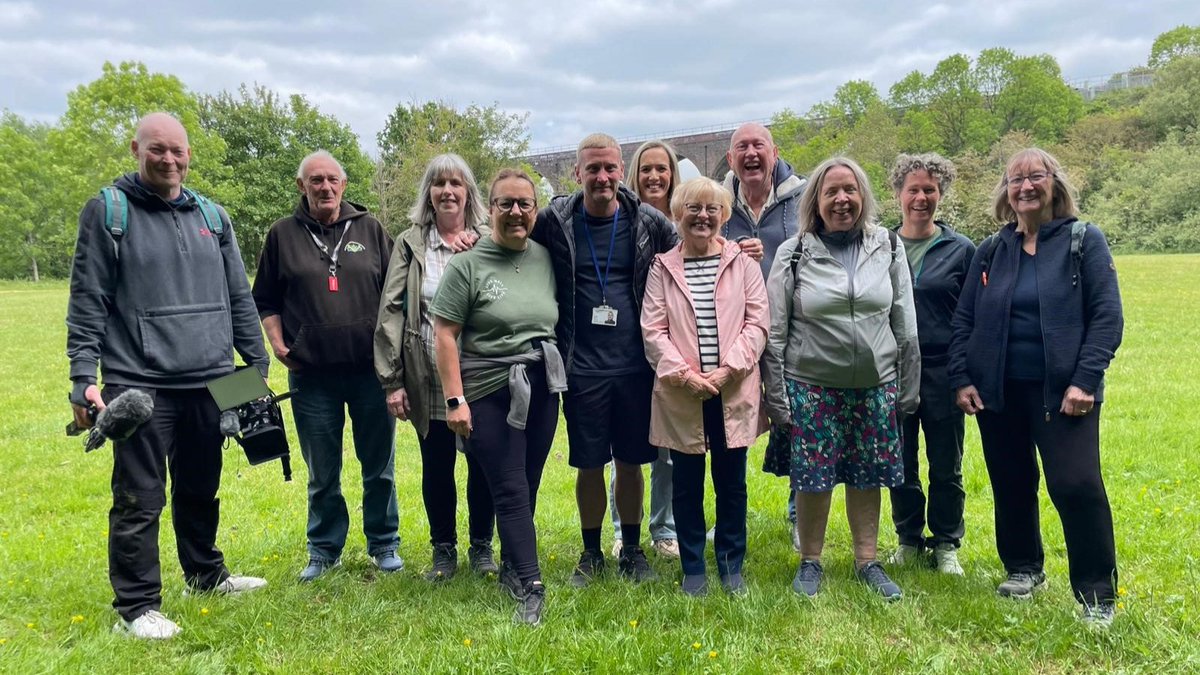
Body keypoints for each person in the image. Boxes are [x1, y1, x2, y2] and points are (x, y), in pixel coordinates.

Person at [66, 112, 269, 639]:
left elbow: (238, 297)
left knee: (202, 486)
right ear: (136, 148)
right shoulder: (109, 212)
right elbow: (89, 300)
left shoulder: (213, 216)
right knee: (140, 495)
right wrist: (81, 376)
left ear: (188, 155)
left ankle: (205, 573)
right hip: (140, 383)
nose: (169, 159)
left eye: (177, 150)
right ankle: (136, 607)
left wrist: (256, 363)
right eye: (157, 149)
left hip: (211, 379)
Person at [948, 148, 1123, 627]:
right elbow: (964, 319)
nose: (1025, 186)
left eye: (1036, 177)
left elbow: (1107, 317)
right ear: (1006, 191)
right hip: (998, 392)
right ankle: (1023, 567)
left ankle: (1096, 594)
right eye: (1016, 179)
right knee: (1011, 483)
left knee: (1076, 484)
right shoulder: (992, 249)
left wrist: (1085, 380)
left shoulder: (1084, 241)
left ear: (1054, 184)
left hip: (1064, 392)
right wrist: (962, 377)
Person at [763, 156, 919, 601]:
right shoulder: (794, 252)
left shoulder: (888, 245)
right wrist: (778, 398)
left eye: (849, 189)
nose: (841, 199)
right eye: (831, 191)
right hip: (810, 384)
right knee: (813, 478)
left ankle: (867, 561)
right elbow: (775, 332)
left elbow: (905, 322)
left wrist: (907, 390)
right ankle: (810, 561)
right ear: (816, 200)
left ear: (862, 195)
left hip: (875, 383)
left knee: (867, 474)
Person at [532, 133, 678, 587]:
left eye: (609, 168)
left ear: (622, 171)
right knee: (589, 463)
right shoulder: (554, 221)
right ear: (577, 173)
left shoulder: (649, 222)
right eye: (592, 169)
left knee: (633, 463)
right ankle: (591, 552)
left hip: (636, 366)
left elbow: (691, 255)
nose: (601, 177)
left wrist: (737, 252)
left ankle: (632, 551)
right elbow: (510, 244)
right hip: (581, 367)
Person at [252, 150, 402, 582]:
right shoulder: (282, 235)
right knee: (322, 470)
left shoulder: (370, 229)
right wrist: (278, 344)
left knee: (379, 466)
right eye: (315, 180)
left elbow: (396, 291)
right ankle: (324, 548)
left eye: (332, 179)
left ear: (344, 184)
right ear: (302, 186)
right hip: (311, 376)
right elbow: (264, 298)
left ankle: (384, 542)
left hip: (370, 372)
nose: (325, 187)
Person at [431, 168, 562, 626]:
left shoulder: (546, 257)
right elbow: (445, 333)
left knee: (527, 481)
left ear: (535, 209)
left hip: (543, 387)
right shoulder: (467, 264)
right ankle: (530, 583)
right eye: (505, 204)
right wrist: (454, 401)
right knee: (508, 486)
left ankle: (509, 566)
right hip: (488, 390)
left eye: (524, 204)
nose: (516, 213)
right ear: (490, 210)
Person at [641, 178, 769, 596]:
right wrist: (685, 375)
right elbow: (653, 329)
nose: (703, 216)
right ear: (677, 214)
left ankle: (732, 566)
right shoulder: (662, 268)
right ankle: (693, 567)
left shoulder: (743, 264)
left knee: (732, 483)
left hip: (732, 391)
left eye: (712, 209)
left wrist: (726, 371)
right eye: (693, 208)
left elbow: (757, 323)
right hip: (683, 393)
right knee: (686, 484)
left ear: (724, 215)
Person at [374, 154, 497, 582]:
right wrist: (392, 380)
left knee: (482, 466)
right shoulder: (411, 242)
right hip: (427, 378)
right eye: (439, 183)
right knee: (437, 467)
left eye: (456, 183)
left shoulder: (487, 239)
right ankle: (443, 550)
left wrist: (481, 249)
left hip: (480, 377)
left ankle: (482, 547)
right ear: (428, 192)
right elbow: (391, 309)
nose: (447, 191)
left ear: (469, 193)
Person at [884, 153, 975, 575]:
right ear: (898, 194)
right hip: (894, 369)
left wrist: (964, 376)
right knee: (898, 458)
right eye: (913, 190)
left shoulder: (962, 250)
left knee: (945, 462)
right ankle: (907, 537)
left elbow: (970, 317)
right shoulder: (880, 245)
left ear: (941, 195)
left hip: (943, 370)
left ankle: (945, 542)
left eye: (929, 190)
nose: (921, 198)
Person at [720, 122, 805, 547]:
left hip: (797, 332)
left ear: (775, 152)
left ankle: (799, 516)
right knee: (729, 429)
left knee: (799, 421)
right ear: (731, 157)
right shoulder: (717, 203)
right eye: (741, 147)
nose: (750, 154)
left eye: (758, 146)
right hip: (734, 337)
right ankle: (728, 514)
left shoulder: (804, 196)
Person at [608, 140, 682, 560]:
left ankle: (665, 527)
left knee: (668, 449)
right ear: (633, 174)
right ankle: (623, 528)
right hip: (629, 349)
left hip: (676, 347)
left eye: (663, 169)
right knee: (625, 450)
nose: (655, 176)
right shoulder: (625, 220)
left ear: (673, 174)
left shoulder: (688, 218)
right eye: (647, 169)